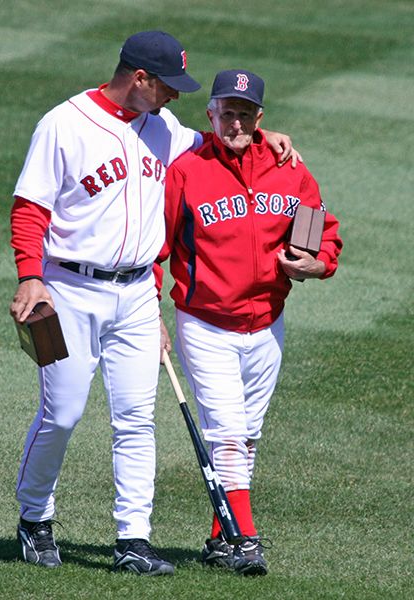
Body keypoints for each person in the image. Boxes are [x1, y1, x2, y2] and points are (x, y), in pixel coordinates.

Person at [9, 30, 299, 576]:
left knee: (138, 419)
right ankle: (34, 519)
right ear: (138, 78)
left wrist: (265, 136)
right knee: (62, 413)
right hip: (68, 291)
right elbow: (29, 209)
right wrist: (30, 277)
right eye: (167, 86)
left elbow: (217, 145)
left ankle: (133, 540)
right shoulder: (64, 124)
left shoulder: (163, 127)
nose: (175, 97)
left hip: (139, 294)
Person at [155, 69, 343, 576]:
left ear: (259, 118)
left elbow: (322, 231)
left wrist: (319, 263)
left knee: (247, 434)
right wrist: (150, 309)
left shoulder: (290, 170)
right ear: (210, 113)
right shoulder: (187, 171)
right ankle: (245, 539)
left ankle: (221, 540)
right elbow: (159, 247)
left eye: (244, 112)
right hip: (206, 323)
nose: (234, 122)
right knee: (229, 433)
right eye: (225, 111)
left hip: (267, 325)